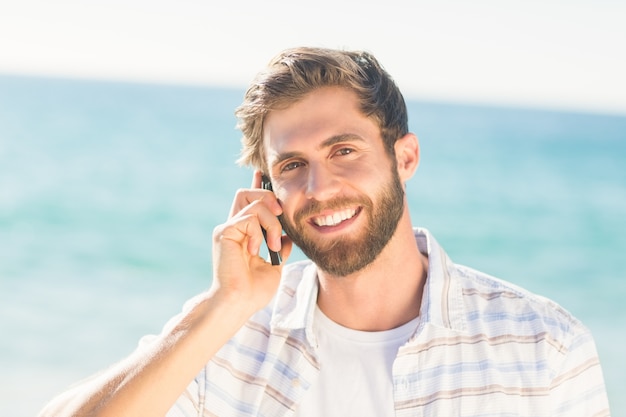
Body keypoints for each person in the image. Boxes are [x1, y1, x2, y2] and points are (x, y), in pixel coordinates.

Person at [39, 47, 610, 417]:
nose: (320, 186)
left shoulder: (544, 346)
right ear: (266, 191)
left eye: (344, 150)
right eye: (292, 165)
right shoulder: (229, 337)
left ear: (404, 158)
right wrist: (224, 305)